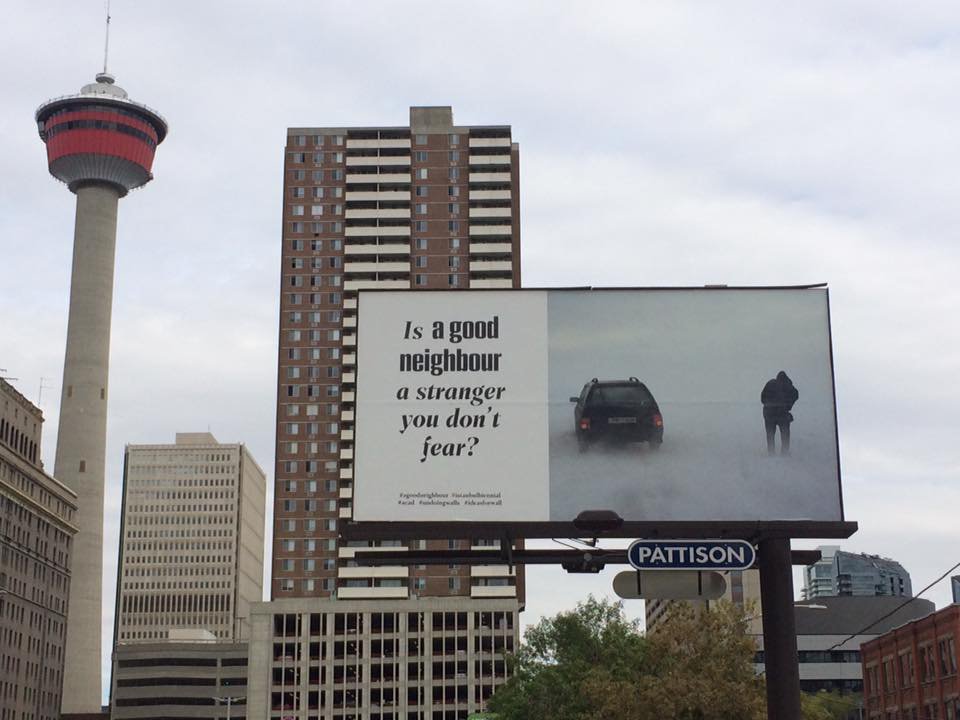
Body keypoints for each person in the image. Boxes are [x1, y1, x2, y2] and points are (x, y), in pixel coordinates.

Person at [761, 371, 799, 455]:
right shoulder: (788, 385)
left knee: (770, 434)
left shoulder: (771, 383)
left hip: (770, 413)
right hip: (782, 413)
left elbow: (762, 398)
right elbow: (796, 394)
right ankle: (785, 452)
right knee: (785, 433)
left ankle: (771, 452)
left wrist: (769, 405)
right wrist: (788, 405)